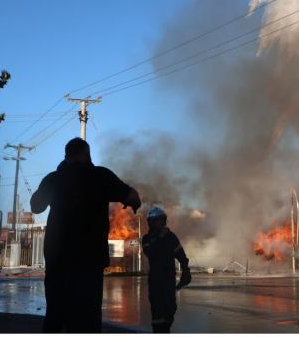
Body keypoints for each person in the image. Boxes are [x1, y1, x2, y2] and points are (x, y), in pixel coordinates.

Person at [30, 137, 141, 333]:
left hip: (58, 260)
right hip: (89, 262)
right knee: (87, 320)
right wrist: (133, 203)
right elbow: (132, 196)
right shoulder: (100, 176)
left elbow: (35, 206)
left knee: (55, 315)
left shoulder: (53, 179)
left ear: (66, 156)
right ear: (86, 155)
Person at [142, 206, 191, 333]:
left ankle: (165, 330)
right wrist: (160, 238)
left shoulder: (171, 237)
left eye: (163, 220)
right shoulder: (147, 239)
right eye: (158, 220)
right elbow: (151, 252)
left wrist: (186, 269)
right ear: (151, 222)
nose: (162, 223)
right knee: (158, 311)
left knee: (171, 308)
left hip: (169, 279)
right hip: (155, 280)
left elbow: (180, 253)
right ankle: (159, 332)